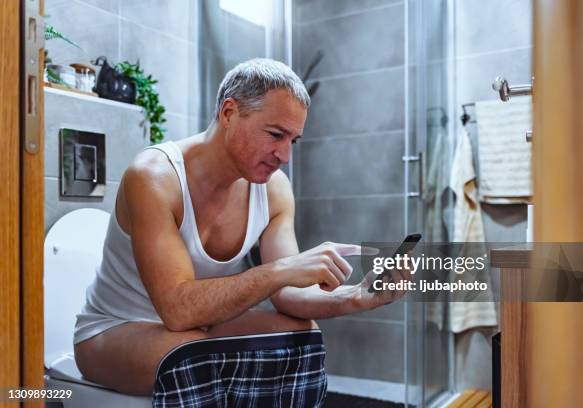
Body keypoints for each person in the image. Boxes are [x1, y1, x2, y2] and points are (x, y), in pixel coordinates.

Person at [74, 58, 406, 397]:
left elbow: (288, 296)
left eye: (293, 140)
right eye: (276, 134)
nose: (285, 155)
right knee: (191, 355)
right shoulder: (155, 177)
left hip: (197, 330)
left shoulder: (274, 190)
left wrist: (353, 296)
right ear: (229, 113)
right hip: (116, 330)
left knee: (301, 335)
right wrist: (281, 270)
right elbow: (177, 310)